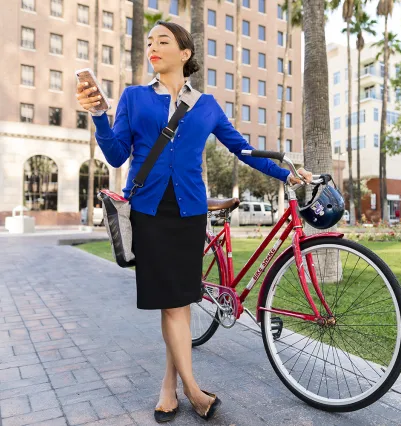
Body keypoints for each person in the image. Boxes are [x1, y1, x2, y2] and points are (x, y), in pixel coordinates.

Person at [76, 21, 312, 423]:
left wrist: (286, 173)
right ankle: (194, 390)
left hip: (189, 214)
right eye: (149, 42)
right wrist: (99, 113)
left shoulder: (207, 106)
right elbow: (117, 156)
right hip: (149, 213)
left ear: (185, 53)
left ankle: (169, 388)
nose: (152, 47)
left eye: (162, 41)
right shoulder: (134, 98)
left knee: (179, 304)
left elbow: (244, 150)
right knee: (172, 305)